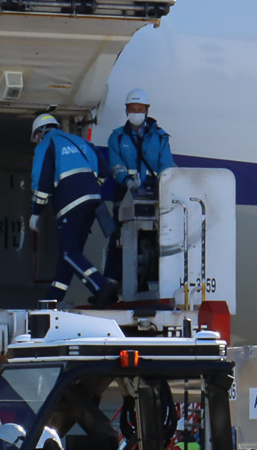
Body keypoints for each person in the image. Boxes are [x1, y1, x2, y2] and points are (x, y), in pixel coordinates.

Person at [29, 113, 116, 306]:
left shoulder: (47, 145)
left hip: (70, 204)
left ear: (41, 132)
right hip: (93, 202)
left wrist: (36, 212)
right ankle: (50, 302)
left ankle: (102, 286)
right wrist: (89, 188)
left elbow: (40, 181)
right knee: (68, 256)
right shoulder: (81, 142)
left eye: (37, 136)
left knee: (69, 253)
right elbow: (104, 171)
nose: (38, 140)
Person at [104, 89, 176, 291]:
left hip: (154, 194)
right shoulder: (117, 137)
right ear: (126, 110)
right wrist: (127, 180)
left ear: (146, 110)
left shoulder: (160, 138)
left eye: (140, 109)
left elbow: (166, 165)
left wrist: (163, 183)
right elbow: (116, 165)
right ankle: (111, 283)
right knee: (119, 238)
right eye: (132, 109)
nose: (136, 113)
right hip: (125, 194)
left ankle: (151, 282)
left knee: (155, 237)